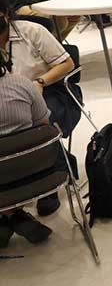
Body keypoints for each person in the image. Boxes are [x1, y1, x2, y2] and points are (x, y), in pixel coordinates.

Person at [0, 0, 78, 215]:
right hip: (9, 97)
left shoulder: (31, 31)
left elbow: (66, 63)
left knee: (36, 127)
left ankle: (48, 177)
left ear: (7, 15)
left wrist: (40, 82)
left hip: (50, 90)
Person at [0, 51, 55, 247]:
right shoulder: (23, 84)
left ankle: (7, 216)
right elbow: (44, 126)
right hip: (36, 173)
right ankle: (14, 216)